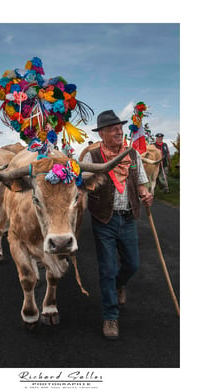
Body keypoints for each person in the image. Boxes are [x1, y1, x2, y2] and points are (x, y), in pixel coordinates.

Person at [82, 109, 153, 340]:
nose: (119, 131)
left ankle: (119, 285)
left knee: (132, 264)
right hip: (104, 219)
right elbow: (78, 182)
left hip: (129, 217)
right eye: (113, 129)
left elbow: (141, 183)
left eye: (120, 128)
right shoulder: (91, 156)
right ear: (102, 133)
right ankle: (110, 316)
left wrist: (145, 194)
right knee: (107, 269)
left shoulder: (132, 155)